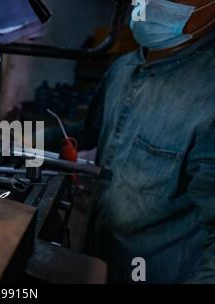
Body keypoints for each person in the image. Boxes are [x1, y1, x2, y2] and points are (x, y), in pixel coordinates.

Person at [81, 0, 215, 283]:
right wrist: (3, 137)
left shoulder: (208, 94)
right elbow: (85, 131)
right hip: (102, 260)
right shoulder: (125, 66)